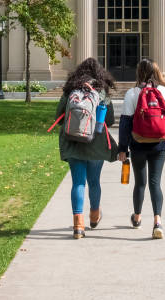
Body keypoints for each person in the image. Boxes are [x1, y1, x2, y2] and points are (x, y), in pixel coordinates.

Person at [54, 57, 119, 239]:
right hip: (95, 143)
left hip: (73, 141)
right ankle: (94, 215)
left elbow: (58, 115)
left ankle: (78, 224)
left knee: (78, 182)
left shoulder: (71, 91)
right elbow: (110, 120)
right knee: (94, 182)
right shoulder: (102, 91)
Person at [118, 58, 165, 239]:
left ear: (139, 73)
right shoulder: (164, 92)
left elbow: (125, 124)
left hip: (138, 144)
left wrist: (122, 149)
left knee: (140, 183)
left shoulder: (132, 93)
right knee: (155, 183)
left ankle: (137, 217)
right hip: (159, 144)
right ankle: (158, 221)